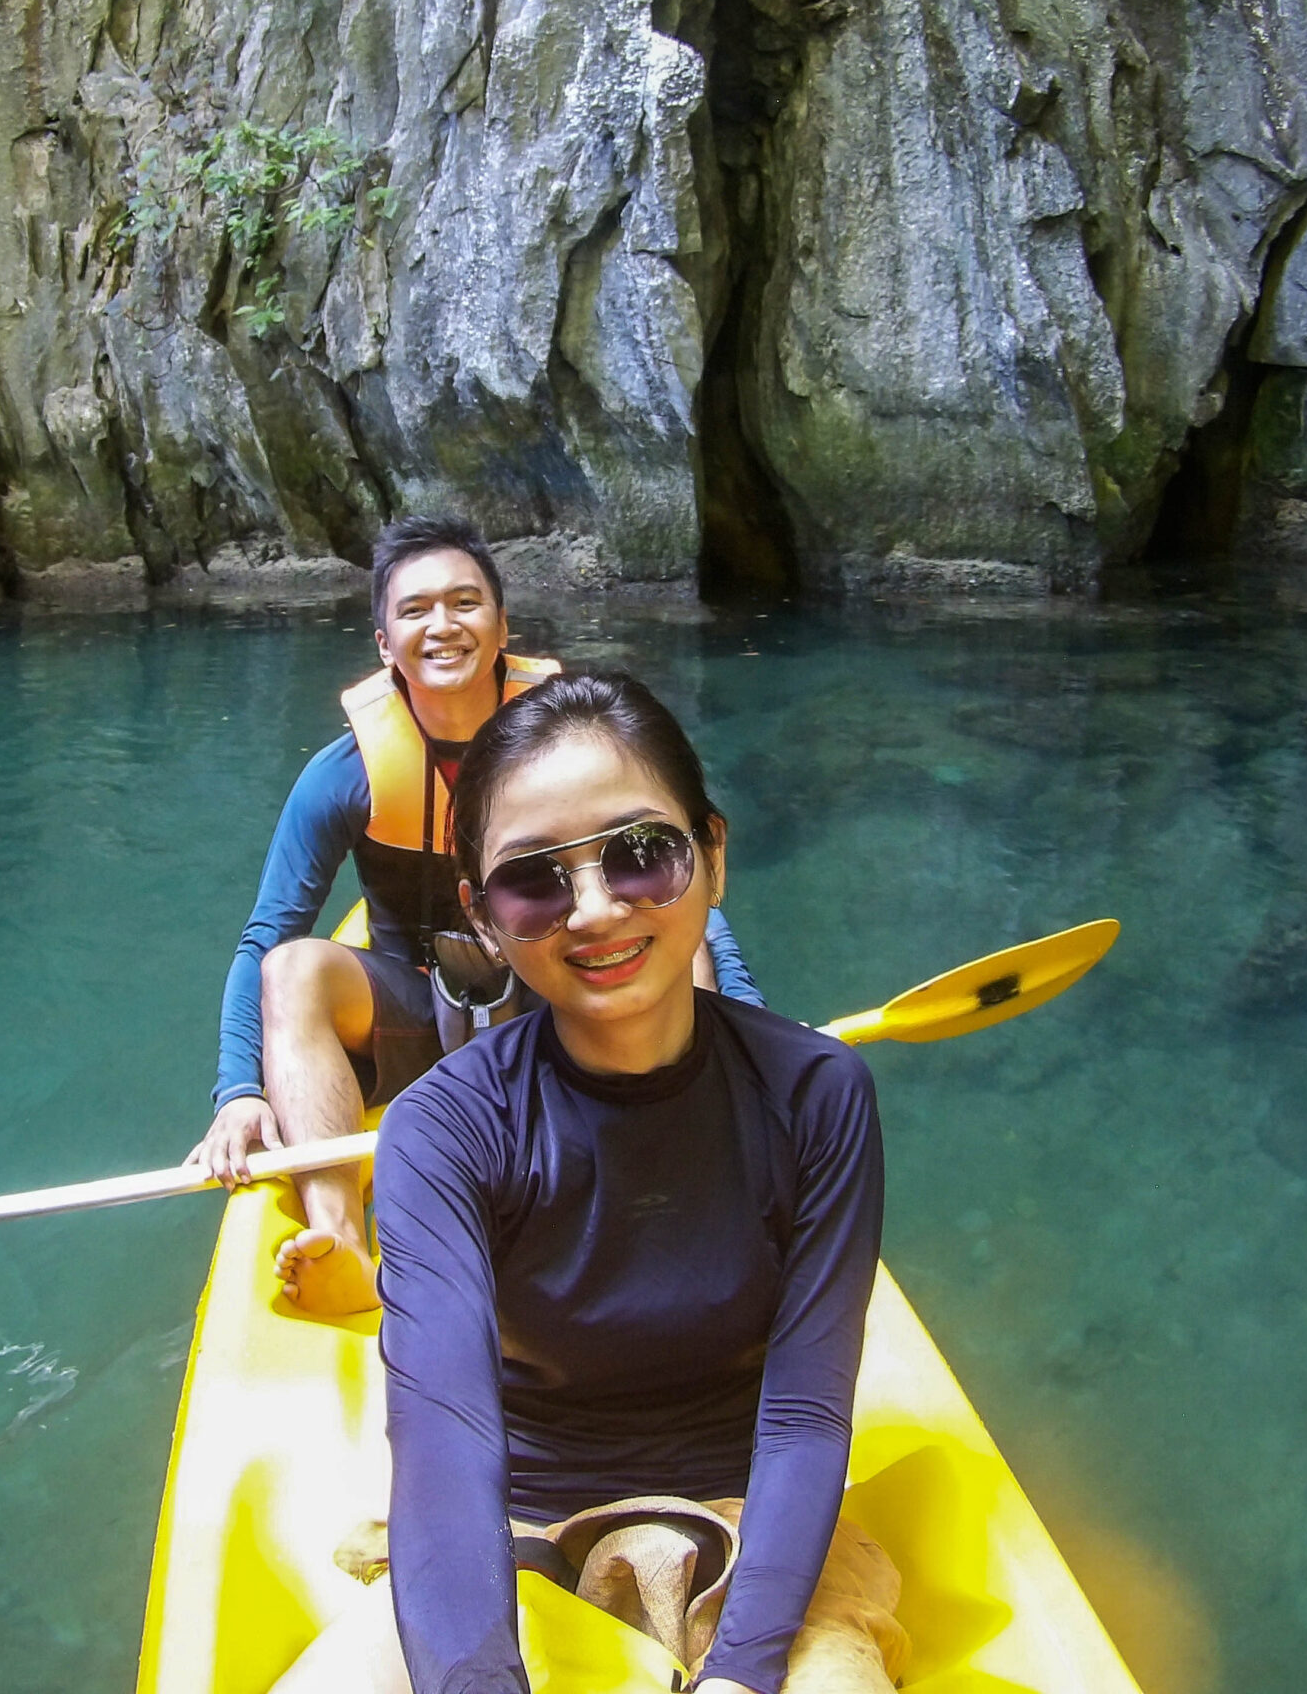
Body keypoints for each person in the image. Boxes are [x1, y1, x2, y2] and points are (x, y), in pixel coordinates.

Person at [271, 671, 901, 1694]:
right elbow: (445, 1440)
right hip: (509, 1518)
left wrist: (742, 1673)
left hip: (751, 1513)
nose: (598, 910)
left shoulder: (818, 1095)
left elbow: (803, 1418)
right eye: (536, 882)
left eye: (641, 855)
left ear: (713, 855)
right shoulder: (444, 1128)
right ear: (484, 917)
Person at [191, 516, 761, 1314]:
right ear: (386, 643)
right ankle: (344, 1240)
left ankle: (705, 1174)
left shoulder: (576, 751)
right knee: (294, 969)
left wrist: (748, 1021)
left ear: (502, 628)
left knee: (666, 933)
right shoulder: (344, 775)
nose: (443, 625)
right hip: (421, 1007)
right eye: (416, 609)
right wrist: (238, 1090)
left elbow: (674, 889)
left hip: (559, 994)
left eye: (466, 603)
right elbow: (267, 937)